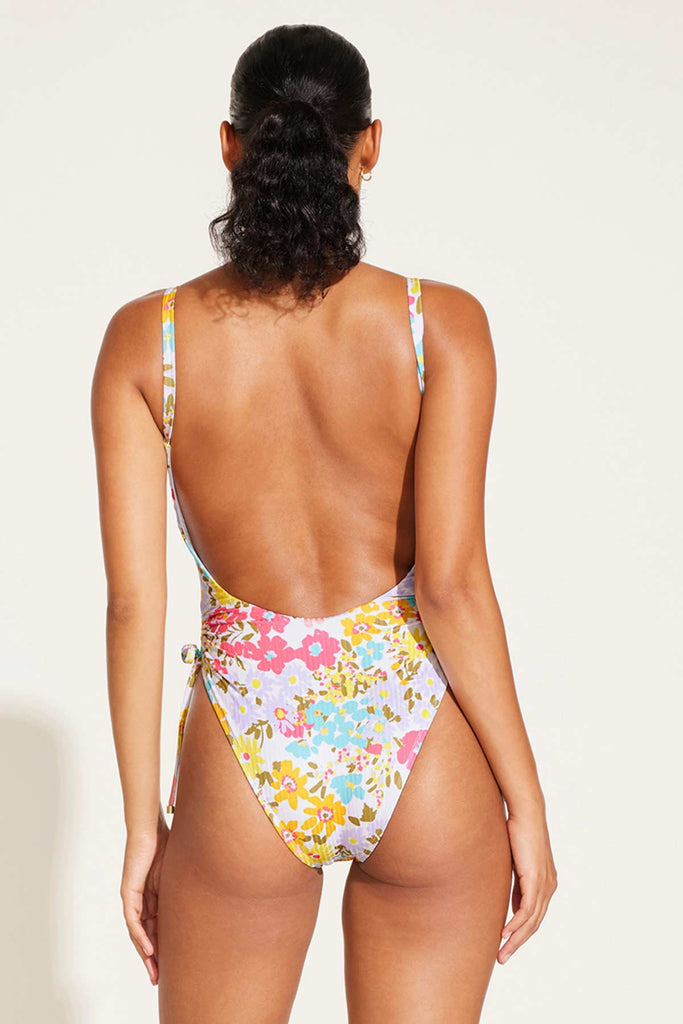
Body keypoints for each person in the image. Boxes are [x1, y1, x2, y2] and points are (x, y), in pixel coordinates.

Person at [91, 22, 557, 1023]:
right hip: (424, 746)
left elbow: (134, 603)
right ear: (368, 144)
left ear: (230, 146)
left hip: (246, 753)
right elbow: (451, 588)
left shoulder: (147, 340)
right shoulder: (440, 327)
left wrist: (140, 827)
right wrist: (526, 801)